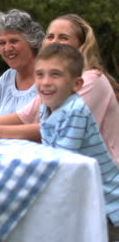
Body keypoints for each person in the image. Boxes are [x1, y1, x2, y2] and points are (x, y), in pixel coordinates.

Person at [0, 14, 119, 163]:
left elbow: (54, 128)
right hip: (66, 167)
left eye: (63, 37)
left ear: (82, 45)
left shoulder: (90, 80)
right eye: (50, 37)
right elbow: (23, 117)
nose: (55, 42)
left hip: (100, 177)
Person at [35, 43, 119, 240]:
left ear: (76, 85)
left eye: (55, 74)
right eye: (40, 74)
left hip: (108, 205)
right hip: (84, 197)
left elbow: (62, 163)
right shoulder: (46, 108)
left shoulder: (75, 111)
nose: (45, 82)